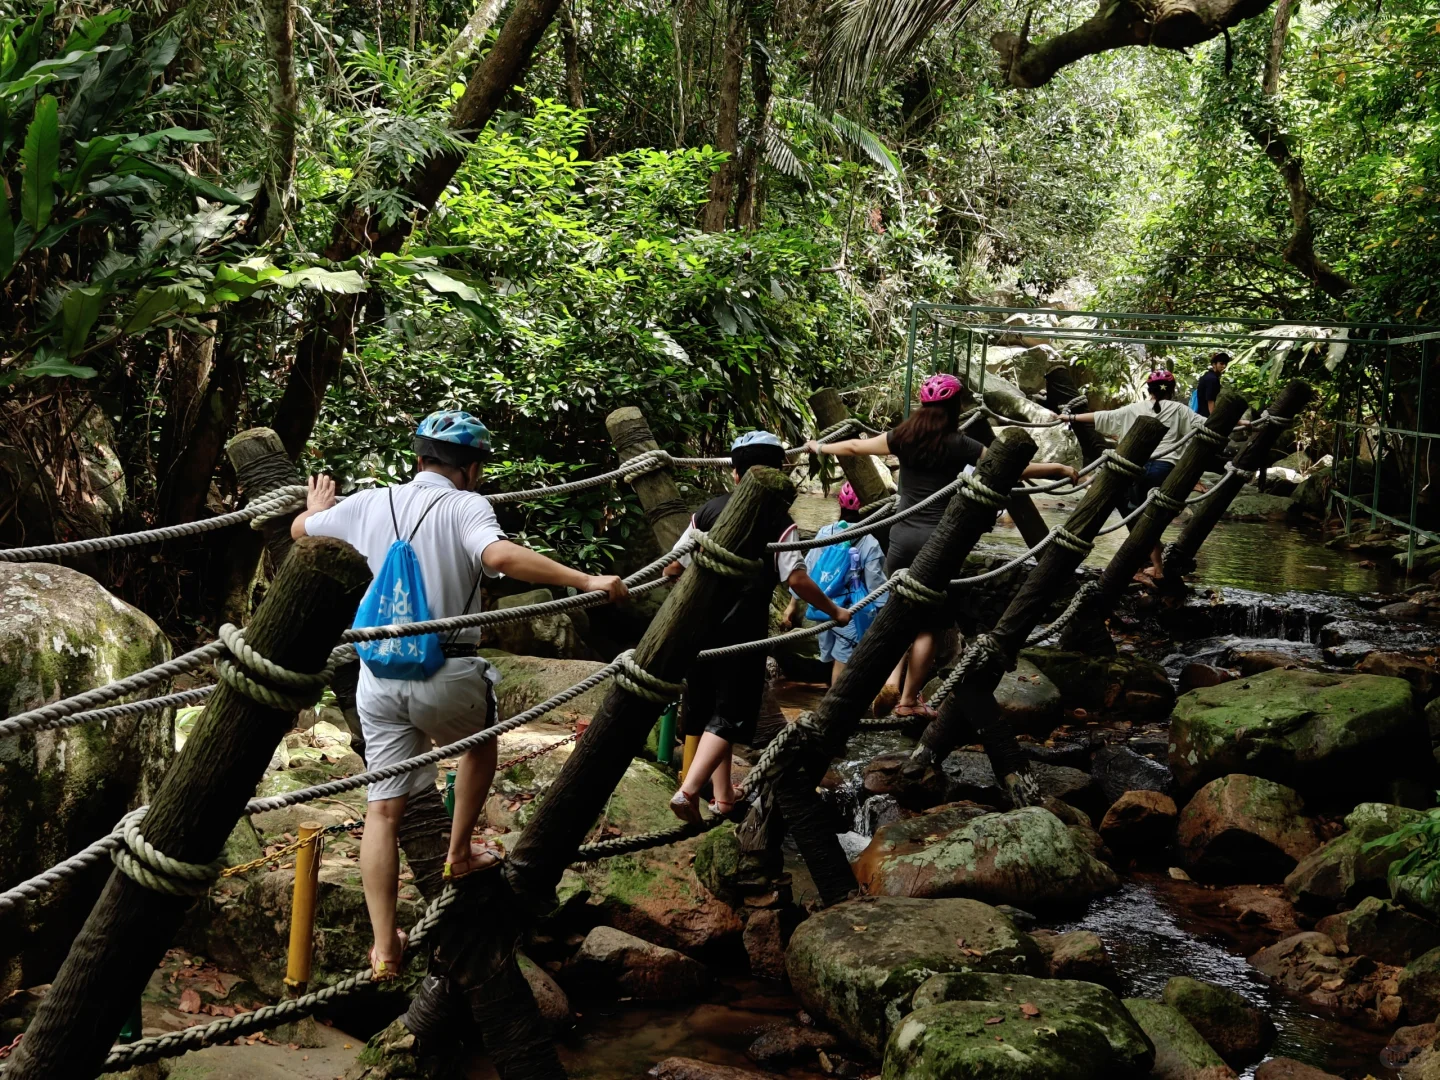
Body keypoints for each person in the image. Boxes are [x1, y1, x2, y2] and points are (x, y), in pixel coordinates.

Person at [291, 409, 628, 980]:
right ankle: (457, 853)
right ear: (470, 468)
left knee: (382, 810)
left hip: (378, 676)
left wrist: (318, 510)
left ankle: (384, 947)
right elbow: (497, 557)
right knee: (479, 745)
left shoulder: (373, 501)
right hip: (448, 670)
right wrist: (584, 580)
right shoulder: (468, 505)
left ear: (419, 458)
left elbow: (302, 532)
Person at [806, 374, 1078, 718]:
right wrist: (1057, 468)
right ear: (953, 408)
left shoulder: (902, 438)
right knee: (930, 627)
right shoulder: (960, 444)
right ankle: (907, 700)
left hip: (901, 538)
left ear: (923, 407)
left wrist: (820, 447)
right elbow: (1012, 466)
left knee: (898, 612)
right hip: (938, 543)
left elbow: (855, 447)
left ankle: (888, 679)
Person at [663, 431, 851, 821]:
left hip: (698, 631)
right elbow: (796, 579)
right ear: (780, 473)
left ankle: (723, 797)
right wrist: (835, 612)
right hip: (742, 635)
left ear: (735, 474)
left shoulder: (708, 510)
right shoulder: (779, 522)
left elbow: (673, 565)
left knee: (713, 713)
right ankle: (688, 791)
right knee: (731, 716)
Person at [1059, 369, 1205, 582]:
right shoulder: (1180, 410)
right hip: (1165, 470)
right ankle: (1155, 564)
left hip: (1137, 470)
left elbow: (1104, 417)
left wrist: (1070, 416)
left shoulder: (1135, 408)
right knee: (1148, 518)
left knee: (1138, 517)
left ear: (1149, 390)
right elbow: (1207, 424)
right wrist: (1242, 423)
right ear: (1172, 390)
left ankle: (1154, 566)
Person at [780, 482, 888, 683]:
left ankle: (823, 699)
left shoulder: (825, 533)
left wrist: (792, 605)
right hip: (848, 612)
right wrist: (884, 611)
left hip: (822, 606)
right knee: (843, 659)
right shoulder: (869, 541)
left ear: (840, 504)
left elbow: (808, 568)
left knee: (831, 658)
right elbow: (876, 585)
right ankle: (832, 708)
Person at [1193, 352, 1230, 416]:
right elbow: (1210, 401)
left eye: (1225, 364)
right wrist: (1213, 419)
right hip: (1206, 417)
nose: (1224, 366)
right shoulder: (1212, 379)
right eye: (1221, 363)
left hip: (1200, 414)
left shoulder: (1207, 376)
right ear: (1214, 365)